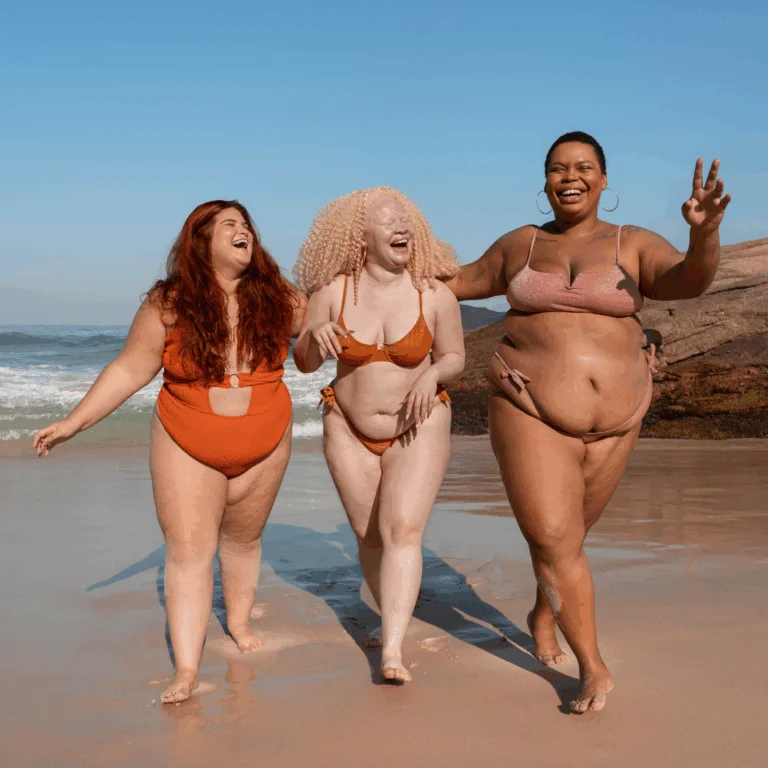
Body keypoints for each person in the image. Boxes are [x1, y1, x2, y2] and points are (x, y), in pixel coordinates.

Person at [443, 132, 731, 712]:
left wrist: (704, 235)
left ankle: (542, 612)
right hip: (527, 406)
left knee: (569, 537)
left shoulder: (634, 243)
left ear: (603, 180)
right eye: (557, 168)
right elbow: (453, 283)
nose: (569, 177)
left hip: (620, 418)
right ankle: (592, 668)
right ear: (545, 180)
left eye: (582, 167)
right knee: (553, 536)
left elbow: (689, 281)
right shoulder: (520, 244)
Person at [33, 200, 306, 704]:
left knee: (244, 541)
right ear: (200, 242)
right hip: (187, 436)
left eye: (247, 225)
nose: (244, 231)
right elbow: (128, 369)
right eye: (230, 225)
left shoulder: (279, 295)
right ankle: (186, 668)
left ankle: (239, 623)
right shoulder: (169, 303)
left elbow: (325, 330)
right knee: (187, 553)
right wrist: (74, 423)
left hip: (266, 436)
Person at [292, 187, 465, 682]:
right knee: (369, 536)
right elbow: (304, 363)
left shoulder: (434, 294)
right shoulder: (333, 293)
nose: (401, 227)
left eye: (406, 220)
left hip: (419, 424)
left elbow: (454, 355)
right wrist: (313, 335)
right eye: (388, 221)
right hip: (348, 428)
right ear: (360, 236)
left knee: (402, 530)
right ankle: (389, 616)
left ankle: (392, 651)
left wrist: (433, 376)